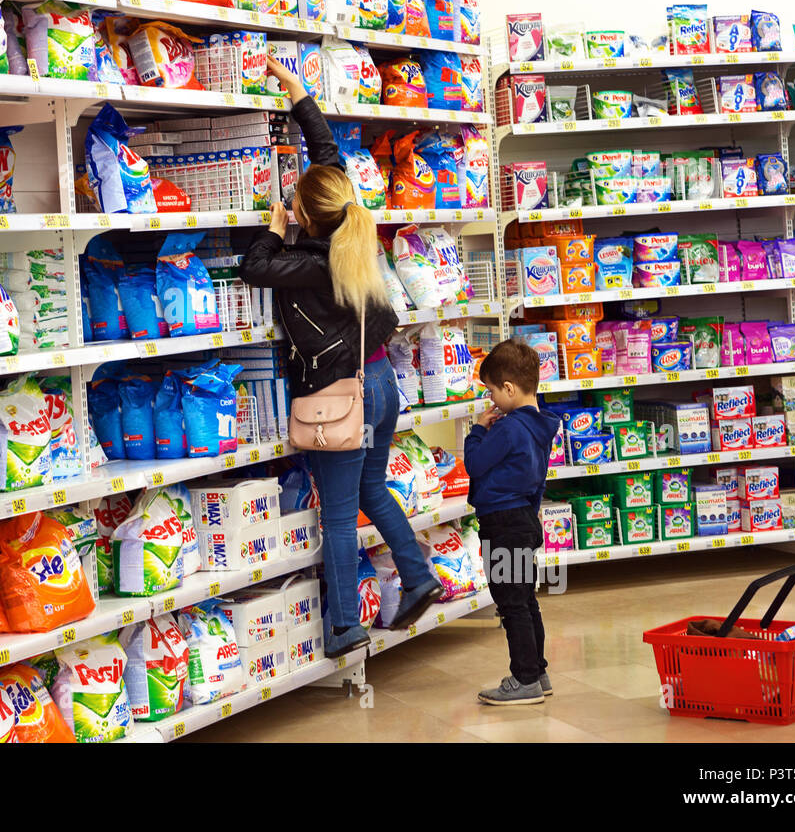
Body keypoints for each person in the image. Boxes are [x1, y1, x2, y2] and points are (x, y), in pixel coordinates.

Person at [238, 56, 441, 658]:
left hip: (337, 397)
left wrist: (275, 226)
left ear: (305, 214)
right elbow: (326, 159)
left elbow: (255, 267)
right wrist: (298, 92)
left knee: (339, 515)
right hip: (379, 381)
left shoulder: (307, 263)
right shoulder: (351, 230)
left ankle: (346, 626)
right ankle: (419, 574)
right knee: (375, 491)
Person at [463, 338, 562, 705]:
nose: (491, 400)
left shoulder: (507, 429)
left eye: (491, 391)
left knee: (511, 603)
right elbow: (537, 480)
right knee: (525, 599)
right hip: (523, 518)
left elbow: (474, 464)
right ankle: (537, 670)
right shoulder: (540, 428)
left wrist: (477, 430)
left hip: (501, 523)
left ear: (509, 388)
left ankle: (524, 680)